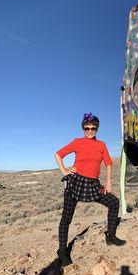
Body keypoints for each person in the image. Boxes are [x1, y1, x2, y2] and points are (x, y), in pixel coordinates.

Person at [55, 113, 126, 267]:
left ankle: (111, 236)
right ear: (83, 128)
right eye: (87, 128)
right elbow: (58, 155)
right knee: (66, 218)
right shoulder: (77, 142)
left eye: (93, 128)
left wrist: (108, 182)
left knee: (113, 202)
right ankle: (62, 251)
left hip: (93, 185)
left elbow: (108, 163)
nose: (90, 130)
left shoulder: (101, 145)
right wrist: (65, 172)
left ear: (97, 129)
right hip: (76, 183)